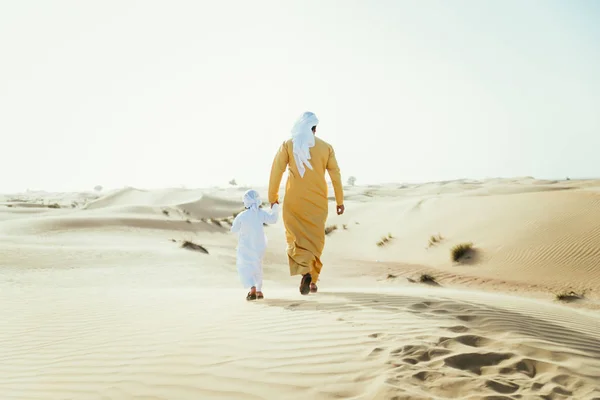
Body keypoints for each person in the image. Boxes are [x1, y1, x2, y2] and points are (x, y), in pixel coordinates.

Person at [268, 111, 344, 295]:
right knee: (315, 239)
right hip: (318, 201)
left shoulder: (288, 145)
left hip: (294, 200)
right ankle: (312, 280)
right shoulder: (326, 147)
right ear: (315, 129)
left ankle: (304, 270)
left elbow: (276, 171)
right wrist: (339, 201)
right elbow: (335, 175)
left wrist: (273, 197)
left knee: (295, 237)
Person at [231, 189, 280, 301]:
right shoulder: (260, 213)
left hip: (245, 245)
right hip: (259, 244)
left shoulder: (242, 216)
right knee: (257, 265)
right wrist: (275, 207)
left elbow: (234, 229)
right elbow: (273, 219)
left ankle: (252, 288)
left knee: (245, 266)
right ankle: (259, 290)